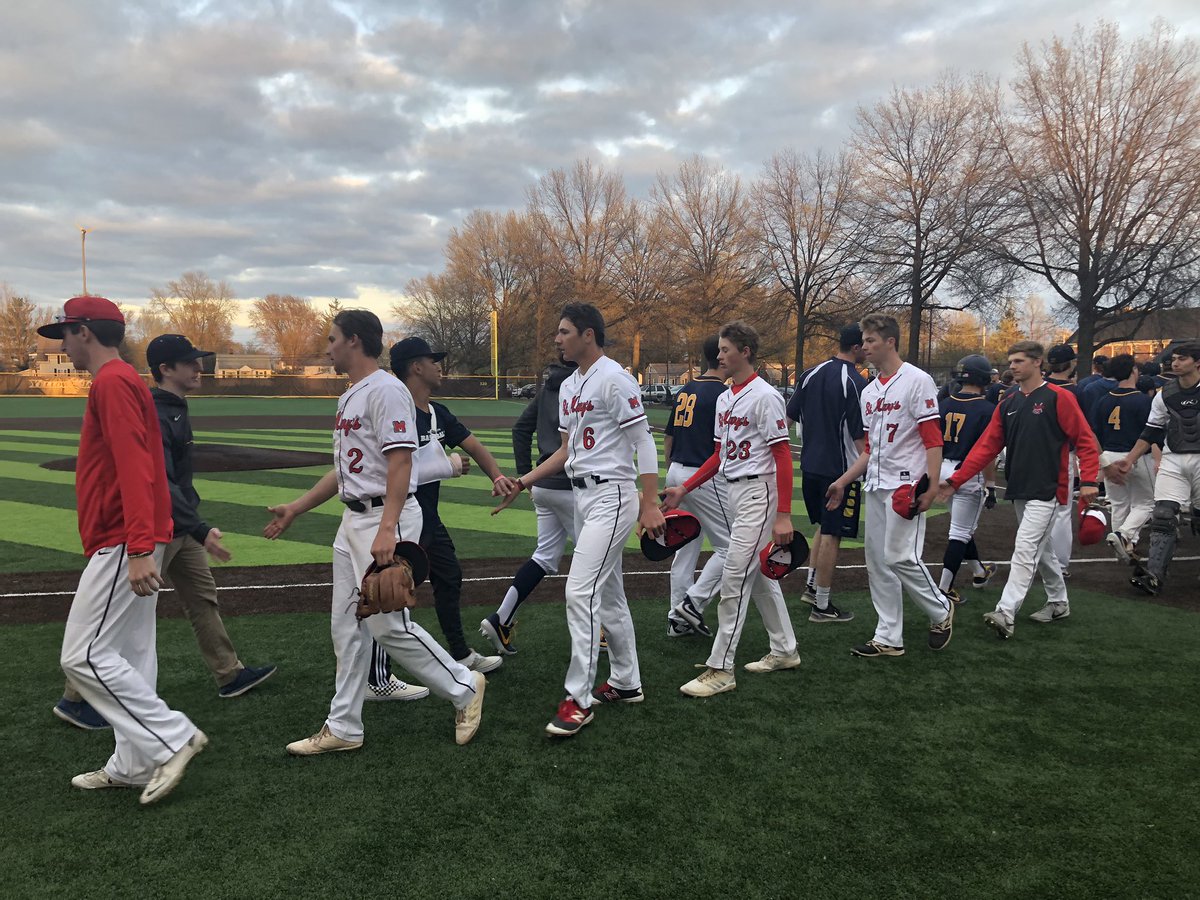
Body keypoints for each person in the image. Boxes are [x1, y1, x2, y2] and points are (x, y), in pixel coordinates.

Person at [265, 310, 485, 752]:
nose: (327, 347)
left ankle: (465, 686)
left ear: (354, 340)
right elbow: (344, 471)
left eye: (332, 339)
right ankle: (344, 727)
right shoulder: (350, 397)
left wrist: (388, 528)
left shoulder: (386, 391)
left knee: (388, 625)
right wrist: (297, 507)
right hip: (354, 520)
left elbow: (402, 462)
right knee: (346, 626)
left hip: (386, 517)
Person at [39, 296, 206, 805]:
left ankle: (171, 738)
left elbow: (136, 466)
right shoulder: (127, 382)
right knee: (131, 654)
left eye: (65, 333)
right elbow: (148, 464)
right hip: (137, 536)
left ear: (86, 332)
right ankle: (133, 765)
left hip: (123, 539)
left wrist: (137, 547)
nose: (62, 344)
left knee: (82, 655)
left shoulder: (113, 383)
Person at [493, 303, 664, 737]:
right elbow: (566, 452)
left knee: (579, 590)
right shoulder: (569, 385)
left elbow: (643, 441)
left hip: (613, 495)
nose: (557, 338)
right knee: (608, 596)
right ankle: (627, 682)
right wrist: (524, 481)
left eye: (564, 331)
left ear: (588, 335)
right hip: (583, 496)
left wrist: (649, 501)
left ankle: (577, 700)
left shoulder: (614, 378)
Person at [662, 321, 801, 696]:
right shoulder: (725, 397)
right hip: (736, 492)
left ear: (745, 351)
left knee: (734, 579)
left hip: (760, 494)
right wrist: (684, 489)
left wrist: (784, 514)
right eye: (719, 350)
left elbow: (782, 456)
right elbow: (719, 456)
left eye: (726, 349)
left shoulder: (766, 395)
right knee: (757, 578)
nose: (719, 355)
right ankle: (785, 649)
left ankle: (721, 667)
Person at [363, 336, 507, 692]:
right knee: (390, 594)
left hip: (427, 517)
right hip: (399, 517)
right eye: (433, 360)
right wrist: (445, 466)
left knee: (449, 576)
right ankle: (377, 678)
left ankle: (459, 654)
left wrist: (500, 478)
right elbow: (393, 470)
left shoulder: (438, 412)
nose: (439, 365)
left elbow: (474, 445)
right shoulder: (397, 412)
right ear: (416, 367)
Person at [938, 341, 1100, 638]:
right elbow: (985, 448)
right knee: (1043, 549)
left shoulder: (1059, 397)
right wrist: (955, 481)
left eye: (1018, 361)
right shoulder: (1008, 403)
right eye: (1011, 361)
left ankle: (1005, 611)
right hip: (1019, 486)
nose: (1012, 366)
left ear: (1038, 362)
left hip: (1049, 488)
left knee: (1025, 548)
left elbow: (1086, 440)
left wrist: (1089, 480)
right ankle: (1059, 602)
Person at [825, 314, 953, 658]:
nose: (863, 346)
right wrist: (843, 480)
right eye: (863, 341)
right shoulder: (869, 391)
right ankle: (888, 637)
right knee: (878, 563)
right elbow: (869, 450)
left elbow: (932, 440)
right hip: (876, 485)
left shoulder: (917, 380)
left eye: (870, 341)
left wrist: (930, 484)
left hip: (906, 487)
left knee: (900, 557)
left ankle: (941, 610)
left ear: (890, 341)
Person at [480, 357, 579, 654]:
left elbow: (520, 429)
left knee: (544, 557)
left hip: (544, 486)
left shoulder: (548, 388)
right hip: (571, 485)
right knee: (595, 561)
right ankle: (597, 628)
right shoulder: (582, 384)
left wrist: (528, 477)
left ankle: (502, 617)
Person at [784, 323, 867, 624]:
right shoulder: (856, 382)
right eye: (866, 345)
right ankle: (822, 605)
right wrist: (868, 465)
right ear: (856, 348)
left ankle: (811, 586)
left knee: (822, 526)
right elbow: (861, 438)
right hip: (840, 472)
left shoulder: (810, 373)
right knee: (833, 534)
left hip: (810, 466)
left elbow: (788, 416)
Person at [1109, 341, 1200, 596]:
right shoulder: (1165, 393)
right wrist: (1130, 458)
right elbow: (1152, 430)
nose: (1175, 362)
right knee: (1162, 514)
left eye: (1182, 358)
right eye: (1174, 358)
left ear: (1197, 362)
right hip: (1173, 457)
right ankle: (1155, 575)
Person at [661, 335, 731, 637]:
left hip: (677, 469)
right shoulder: (722, 395)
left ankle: (677, 619)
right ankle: (691, 604)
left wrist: (673, 475)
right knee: (733, 547)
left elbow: (668, 438)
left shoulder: (686, 389)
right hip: (701, 476)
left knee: (686, 550)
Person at [935, 354, 998, 604]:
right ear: (983, 378)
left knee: (963, 527)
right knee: (960, 532)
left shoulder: (945, 404)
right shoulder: (987, 409)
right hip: (967, 473)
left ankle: (979, 572)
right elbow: (988, 454)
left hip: (942, 468)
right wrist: (991, 486)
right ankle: (944, 588)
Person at [1090, 354, 1154, 564]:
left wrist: (1102, 462)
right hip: (1135, 455)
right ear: (1133, 371)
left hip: (1109, 453)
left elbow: (1094, 434)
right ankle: (1124, 535)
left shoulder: (1103, 400)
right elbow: (1152, 433)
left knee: (1118, 503)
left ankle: (1123, 545)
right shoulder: (1144, 400)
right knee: (1146, 503)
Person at [1044, 344, 1080, 577]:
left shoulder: (1038, 387)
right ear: (1071, 363)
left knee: (1035, 509)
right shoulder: (1075, 391)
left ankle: (1038, 558)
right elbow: (1084, 431)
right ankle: (1060, 565)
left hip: (1033, 454)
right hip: (1062, 454)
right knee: (1062, 511)